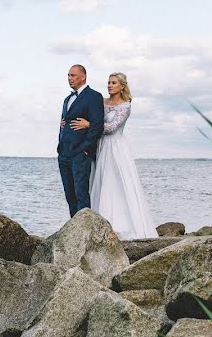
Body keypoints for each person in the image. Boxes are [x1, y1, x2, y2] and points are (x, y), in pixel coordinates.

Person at [70, 72, 156, 239]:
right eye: (109, 82)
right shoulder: (101, 102)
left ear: (122, 86)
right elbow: (86, 114)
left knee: (114, 183)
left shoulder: (125, 106)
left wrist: (90, 124)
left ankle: (120, 224)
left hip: (114, 147)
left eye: (114, 83)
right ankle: (97, 223)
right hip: (99, 145)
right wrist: (67, 121)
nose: (109, 85)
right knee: (98, 181)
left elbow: (111, 128)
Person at [57, 64, 104, 217]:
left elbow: (97, 126)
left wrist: (85, 149)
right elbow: (64, 123)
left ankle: (85, 231)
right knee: (69, 195)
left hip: (80, 153)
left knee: (81, 194)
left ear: (83, 76)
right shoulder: (67, 99)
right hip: (64, 153)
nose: (70, 78)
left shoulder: (94, 96)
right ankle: (73, 231)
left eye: (73, 75)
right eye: (68, 75)